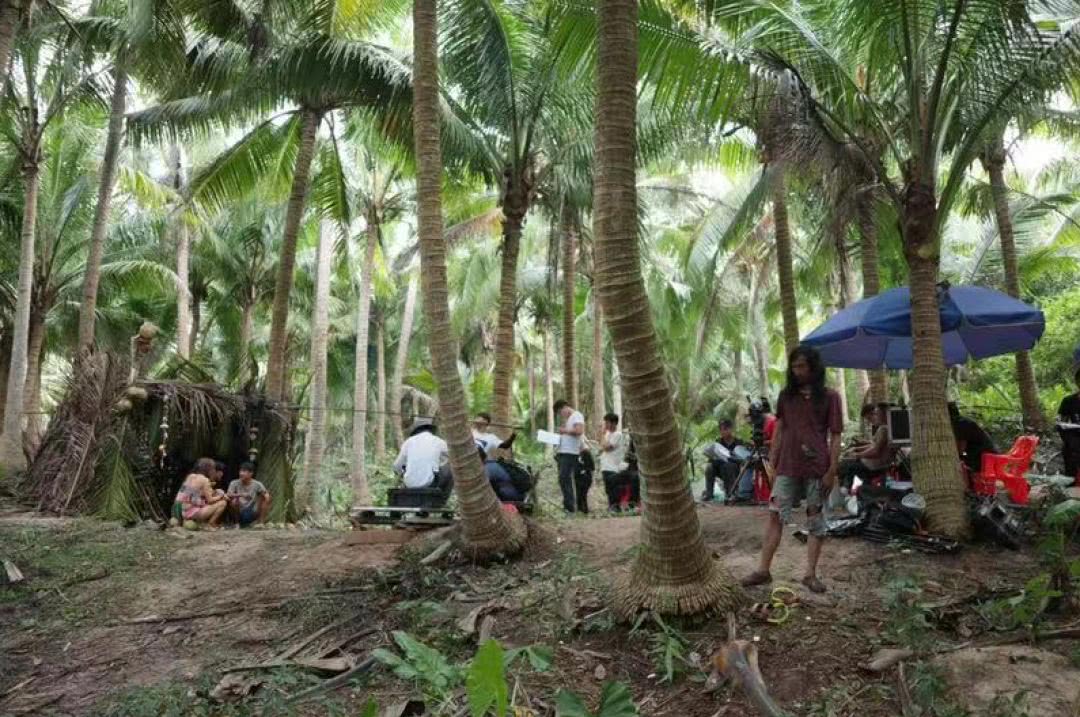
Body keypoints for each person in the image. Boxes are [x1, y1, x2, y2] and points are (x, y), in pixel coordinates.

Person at [743, 346, 843, 594]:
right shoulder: (786, 396)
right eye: (794, 366)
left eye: (802, 366)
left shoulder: (830, 397)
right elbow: (779, 429)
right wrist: (774, 462)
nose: (797, 371)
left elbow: (836, 436)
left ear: (813, 367)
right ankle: (763, 570)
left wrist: (832, 470)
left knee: (815, 518)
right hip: (787, 465)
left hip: (817, 467)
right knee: (775, 515)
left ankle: (810, 574)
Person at [838, 403, 893, 488]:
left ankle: (845, 489)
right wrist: (856, 449)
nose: (876, 416)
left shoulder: (884, 429)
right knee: (848, 462)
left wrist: (858, 455)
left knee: (847, 466)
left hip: (878, 467)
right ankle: (851, 488)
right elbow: (874, 445)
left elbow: (876, 451)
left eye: (877, 414)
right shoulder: (884, 428)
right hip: (878, 464)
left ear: (885, 414)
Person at [393, 417, 452, 492]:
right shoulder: (438, 441)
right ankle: (441, 498)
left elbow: (396, 466)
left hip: (409, 484)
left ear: (416, 430)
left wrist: (402, 474)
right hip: (431, 483)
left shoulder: (409, 442)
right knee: (452, 467)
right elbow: (453, 455)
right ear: (430, 430)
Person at [553, 399, 588, 513]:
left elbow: (579, 430)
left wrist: (564, 430)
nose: (561, 415)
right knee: (563, 479)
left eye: (560, 412)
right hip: (563, 452)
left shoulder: (577, 415)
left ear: (564, 407)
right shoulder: (570, 419)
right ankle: (568, 506)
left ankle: (569, 507)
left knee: (564, 478)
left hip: (570, 453)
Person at [173, 457, 227, 529]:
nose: (214, 471)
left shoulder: (190, 476)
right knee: (223, 503)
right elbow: (210, 501)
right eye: (213, 469)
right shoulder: (205, 480)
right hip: (191, 512)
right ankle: (211, 523)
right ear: (209, 470)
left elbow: (190, 493)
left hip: (179, 509)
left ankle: (185, 521)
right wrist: (221, 496)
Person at [701, 419, 745, 502]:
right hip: (720, 468)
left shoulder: (738, 442)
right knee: (709, 467)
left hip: (734, 469)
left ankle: (730, 494)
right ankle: (709, 493)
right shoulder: (718, 442)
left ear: (731, 429)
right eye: (721, 430)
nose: (723, 432)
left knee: (728, 466)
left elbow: (742, 459)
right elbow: (712, 459)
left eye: (725, 429)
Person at [948, 403, 997, 476]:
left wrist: (957, 456)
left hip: (982, 457)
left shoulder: (959, 424)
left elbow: (961, 449)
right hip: (979, 454)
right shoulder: (963, 421)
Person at [226, 461, 271, 526]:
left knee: (267, 497)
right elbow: (228, 494)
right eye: (240, 471)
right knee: (233, 501)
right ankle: (236, 523)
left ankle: (261, 522)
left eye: (244, 471)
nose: (241, 473)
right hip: (239, 510)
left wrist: (266, 496)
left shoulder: (257, 484)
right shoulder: (234, 483)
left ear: (251, 473)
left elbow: (265, 493)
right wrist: (241, 494)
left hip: (252, 510)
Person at [598, 413, 627, 511]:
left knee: (614, 489)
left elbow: (607, 447)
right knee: (608, 489)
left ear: (614, 423)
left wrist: (602, 435)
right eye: (605, 422)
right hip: (605, 466)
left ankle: (615, 508)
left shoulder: (617, 435)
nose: (606, 425)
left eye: (607, 422)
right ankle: (611, 507)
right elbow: (602, 447)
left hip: (613, 467)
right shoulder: (608, 434)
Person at [1057, 367, 1080, 480]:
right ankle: (1071, 482)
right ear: (1077, 382)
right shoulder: (1068, 401)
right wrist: (1069, 440)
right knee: (1069, 450)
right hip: (1074, 440)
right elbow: (1062, 423)